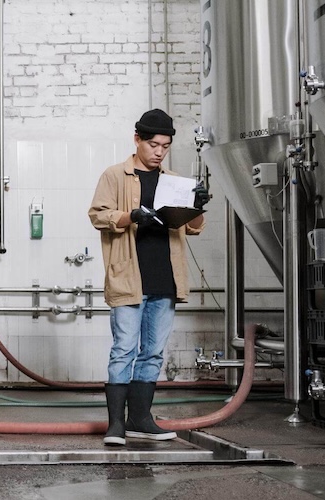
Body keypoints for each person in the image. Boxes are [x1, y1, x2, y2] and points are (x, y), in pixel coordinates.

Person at [87, 109, 209, 446]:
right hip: (129, 277)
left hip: (165, 278)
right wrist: (130, 216)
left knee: (153, 353)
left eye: (165, 146)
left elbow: (192, 229)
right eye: (153, 144)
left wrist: (198, 207)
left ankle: (140, 419)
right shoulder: (115, 175)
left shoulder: (174, 181)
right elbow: (98, 215)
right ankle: (116, 425)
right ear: (137, 139)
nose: (159, 151)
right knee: (124, 349)